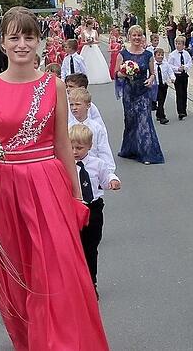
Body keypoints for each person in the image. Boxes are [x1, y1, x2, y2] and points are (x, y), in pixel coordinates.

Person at [0, 7, 109, 350]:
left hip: (49, 184)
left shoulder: (54, 85)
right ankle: (29, 338)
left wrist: (77, 197)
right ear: (2, 42)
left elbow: (62, 142)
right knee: (18, 271)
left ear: (39, 42)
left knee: (58, 269)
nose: (22, 44)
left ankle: (60, 342)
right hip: (5, 189)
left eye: (29, 37)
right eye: (14, 37)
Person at [69, 124, 121, 292]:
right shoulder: (65, 165)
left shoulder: (97, 164)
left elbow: (106, 179)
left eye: (79, 147)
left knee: (91, 248)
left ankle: (91, 283)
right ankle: (75, 282)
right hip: (74, 209)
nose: (75, 151)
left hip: (93, 208)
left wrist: (113, 181)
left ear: (90, 146)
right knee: (74, 248)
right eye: (71, 147)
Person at [116, 25, 164, 165]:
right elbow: (116, 74)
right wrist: (125, 73)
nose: (137, 38)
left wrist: (150, 80)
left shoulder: (148, 55)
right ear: (129, 37)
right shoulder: (123, 54)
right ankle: (130, 149)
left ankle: (147, 153)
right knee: (131, 121)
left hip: (143, 92)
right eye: (134, 35)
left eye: (139, 35)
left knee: (144, 120)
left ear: (142, 37)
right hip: (129, 93)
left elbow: (153, 73)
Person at [68, 87, 116, 174]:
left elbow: (103, 149)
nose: (74, 108)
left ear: (88, 106)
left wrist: (109, 172)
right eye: (71, 105)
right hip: (73, 169)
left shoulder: (96, 127)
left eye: (78, 104)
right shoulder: (67, 128)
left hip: (94, 169)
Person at [166, 36, 193, 120]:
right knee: (179, 93)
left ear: (183, 45)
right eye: (176, 44)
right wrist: (177, 68)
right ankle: (180, 111)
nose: (178, 45)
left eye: (179, 44)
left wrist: (185, 67)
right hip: (177, 75)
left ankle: (184, 110)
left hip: (184, 74)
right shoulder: (172, 55)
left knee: (184, 92)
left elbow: (190, 62)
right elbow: (169, 65)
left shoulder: (186, 54)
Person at [79, 20, 112, 85]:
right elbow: (82, 42)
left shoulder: (95, 32)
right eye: (91, 24)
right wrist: (87, 42)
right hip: (87, 48)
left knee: (96, 61)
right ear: (88, 25)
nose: (92, 26)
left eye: (93, 24)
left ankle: (98, 76)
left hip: (94, 48)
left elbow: (98, 41)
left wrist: (93, 42)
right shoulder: (84, 32)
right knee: (86, 62)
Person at [153, 48, 175, 125]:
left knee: (162, 101)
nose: (160, 56)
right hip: (156, 86)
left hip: (164, 85)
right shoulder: (153, 65)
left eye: (162, 55)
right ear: (155, 56)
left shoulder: (166, 65)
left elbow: (170, 72)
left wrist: (172, 78)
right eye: (158, 55)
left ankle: (158, 114)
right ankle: (162, 117)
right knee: (160, 101)